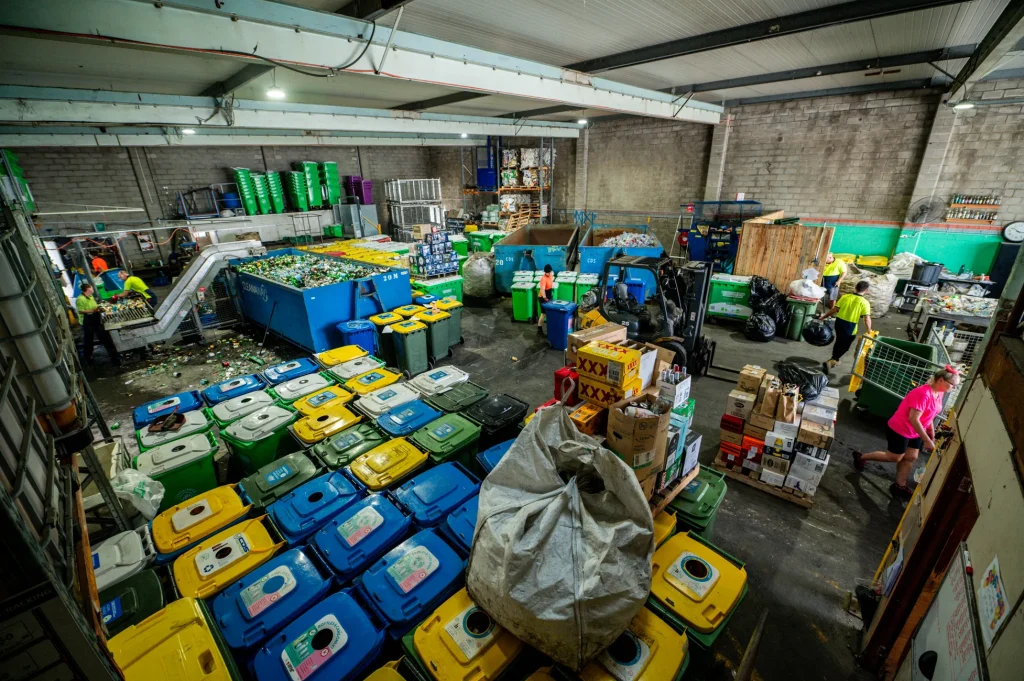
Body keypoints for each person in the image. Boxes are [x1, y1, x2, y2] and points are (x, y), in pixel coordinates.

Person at [852, 366, 959, 498]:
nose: (954, 388)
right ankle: (861, 457)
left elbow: (930, 415)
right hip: (901, 429)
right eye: (953, 385)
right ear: (941, 380)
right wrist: (926, 440)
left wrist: (930, 432)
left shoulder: (939, 393)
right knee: (894, 457)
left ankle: (900, 485)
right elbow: (914, 418)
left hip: (917, 431)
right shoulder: (923, 394)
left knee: (911, 456)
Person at [820, 279, 872, 373]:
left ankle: (835, 360)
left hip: (839, 322)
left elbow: (834, 310)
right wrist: (869, 331)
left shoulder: (845, 297)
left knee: (839, 341)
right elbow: (867, 319)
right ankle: (833, 360)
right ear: (866, 290)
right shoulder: (864, 302)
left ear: (855, 287)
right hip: (850, 325)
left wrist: (823, 317)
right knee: (846, 345)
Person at [76, 283, 121, 366]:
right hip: (87, 321)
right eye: (91, 288)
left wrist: (99, 308)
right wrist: (94, 310)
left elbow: (95, 306)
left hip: (95, 318)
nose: (93, 289)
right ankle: (88, 357)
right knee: (89, 339)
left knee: (103, 336)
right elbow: (81, 311)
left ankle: (113, 355)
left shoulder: (91, 296)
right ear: (88, 289)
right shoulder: (80, 299)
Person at [536, 264, 554, 330]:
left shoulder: (551, 275)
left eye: (549, 272)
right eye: (547, 272)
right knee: (543, 313)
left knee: (550, 312)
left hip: (548, 296)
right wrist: (545, 297)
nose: (548, 273)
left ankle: (550, 325)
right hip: (543, 297)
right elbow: (542, 289)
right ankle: (539, 326)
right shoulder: (543, 279)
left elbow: (551, 284)